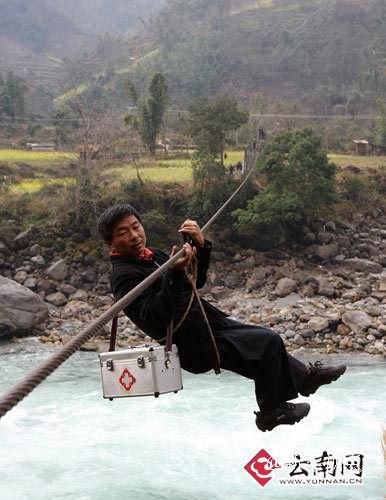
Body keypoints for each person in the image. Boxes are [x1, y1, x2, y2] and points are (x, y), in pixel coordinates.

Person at [98, 204, 346, 432]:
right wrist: (174, 273)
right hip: (194, 342)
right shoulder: (123, 276)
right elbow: (156, 316)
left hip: (208, 323)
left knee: (268, 346)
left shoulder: (155, 256)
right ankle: (271, 412)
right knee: (267, 341)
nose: (134, 235)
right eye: (122, 233)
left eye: (135, 226)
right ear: (111, 242)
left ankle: (305, 379)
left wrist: (200, 245)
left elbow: (197, 280)